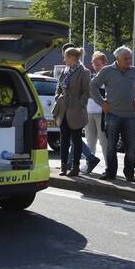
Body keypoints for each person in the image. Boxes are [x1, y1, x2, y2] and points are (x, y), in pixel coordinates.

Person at [90, 45, 135, 182]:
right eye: (125, 58)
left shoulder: (134, 71)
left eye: (130, 58)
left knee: (131, 147)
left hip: (129, 115)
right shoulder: (107, 71)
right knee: (111, 146)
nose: (129, 61)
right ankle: (110, 173)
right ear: (117, 58)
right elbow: (93, 85)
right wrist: (102, 103)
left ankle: (129, 174)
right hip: (112, 114)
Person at [53, 47, 91, 177]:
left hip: (76, 110)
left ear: (73, 58)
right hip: (63, 108)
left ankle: (75, 167)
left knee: (76, 139)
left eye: (66, 57)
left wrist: (80, 103)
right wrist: (57, 96)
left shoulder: (84, 72)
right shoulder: (65, 70)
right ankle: (63, 166)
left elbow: (87, 91)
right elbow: (59, 86)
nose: (64, 59)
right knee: (64, 139)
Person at [79, 51, 108, 174]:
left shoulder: (107, 77)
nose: (95, 67)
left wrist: (93, 94)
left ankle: (108, 166)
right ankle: (89, 164)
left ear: (104, 64)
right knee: (90, 140)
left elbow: (104, 94)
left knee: (104, 141)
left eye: (98, 64)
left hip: (102, 113)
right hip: (89, 111)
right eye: (94, 64)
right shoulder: (92, 77)